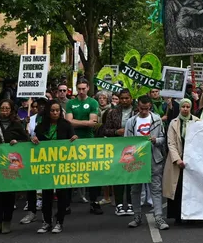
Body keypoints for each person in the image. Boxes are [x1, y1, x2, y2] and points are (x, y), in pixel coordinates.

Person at [0, 99, 29, 235]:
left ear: (11, 110)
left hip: (12, 166)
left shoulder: (16, 125)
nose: (4, 111)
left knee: (9, 195)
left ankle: (7, 221)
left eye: (7, 109)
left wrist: (17, 143)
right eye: (2, 108)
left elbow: (26, 142)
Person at [32, 101, 78, 234]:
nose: (55, 113)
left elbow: (72, 141)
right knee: (46, 194)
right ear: (48, 111)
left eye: (57, 110)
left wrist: (74, 138)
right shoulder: (41, 127)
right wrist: (34, 140)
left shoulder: (66, 125)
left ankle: (59, 222)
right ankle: (46, 221)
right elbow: (36, 143)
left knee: (61, 194)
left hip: (62, 166)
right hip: (46, 166)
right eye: (52, 110)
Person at [126, 96, 169, 230]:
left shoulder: (156, 119)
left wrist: (156, 140)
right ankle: (137, 216)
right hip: (136, 159)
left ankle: (159, 218)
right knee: (135, 189)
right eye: (141, 108)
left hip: (153, 158)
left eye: (146, 108)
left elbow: (163, 138)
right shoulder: (131, 122)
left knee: (155, 189)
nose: (144, 111)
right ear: (137, 107)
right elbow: (126, 141)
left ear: (150, 106)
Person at [65, 80, 102, 214]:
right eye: (79, 89)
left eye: (83, 89)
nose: (81, 91)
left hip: (88, 141)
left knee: (92, 172)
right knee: (70, 173)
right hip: (73, 141)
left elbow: (93, 122)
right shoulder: (70, 103)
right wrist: (85, 122)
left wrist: (76, 122)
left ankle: (94, 202)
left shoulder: (93, 102)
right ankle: (66, 204)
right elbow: (68, 122)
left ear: (88, 88)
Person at [98, 89, 136, 216]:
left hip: (133, 148)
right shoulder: (112, 112)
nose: (124, 100)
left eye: (127, 98)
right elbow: (105, 130)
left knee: (131, 175)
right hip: (118, 148)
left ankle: (131, 203)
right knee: (119, 176)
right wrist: (116, 132)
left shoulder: (136, 112)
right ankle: (119, 204)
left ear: (131, 98)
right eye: (122, 98)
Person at [163, 98, 199, 224]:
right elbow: (171, 143)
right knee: (177, 189)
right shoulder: (174, 123)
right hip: (177, 161)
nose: (185, 109)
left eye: (187, 107)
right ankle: (177, 215)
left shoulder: (197, 121)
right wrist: (177, 159)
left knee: (192, 188)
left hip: (192, 160)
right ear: (180, 108)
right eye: (183, 106)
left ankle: (192, 215)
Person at [20, 98, 48, 225]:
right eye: (37, 105)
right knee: (31, 183)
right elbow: (26, 136)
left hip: (48, 155)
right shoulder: (30, 119)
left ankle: (46, 214)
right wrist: (24, 127)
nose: (40, 107)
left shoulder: (51, 119)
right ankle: (31, 211)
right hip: (32, 155)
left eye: (42, 105)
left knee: (46, 184)